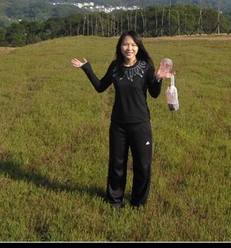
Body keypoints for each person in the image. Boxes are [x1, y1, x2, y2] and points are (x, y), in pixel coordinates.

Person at [71, 30, 172, 210]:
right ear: (120, 46)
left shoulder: (145, 67)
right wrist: (87, 68)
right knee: (117, 164)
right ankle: (115, 200)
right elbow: (100, 87)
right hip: (118, 125)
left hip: (140, 124)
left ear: (139, 47)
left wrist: (158, 78)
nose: (129, 48)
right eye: (126, 44)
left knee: (142, 164)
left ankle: (138, 202)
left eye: (133, 45)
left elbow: (155, 95)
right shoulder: (115, 67)